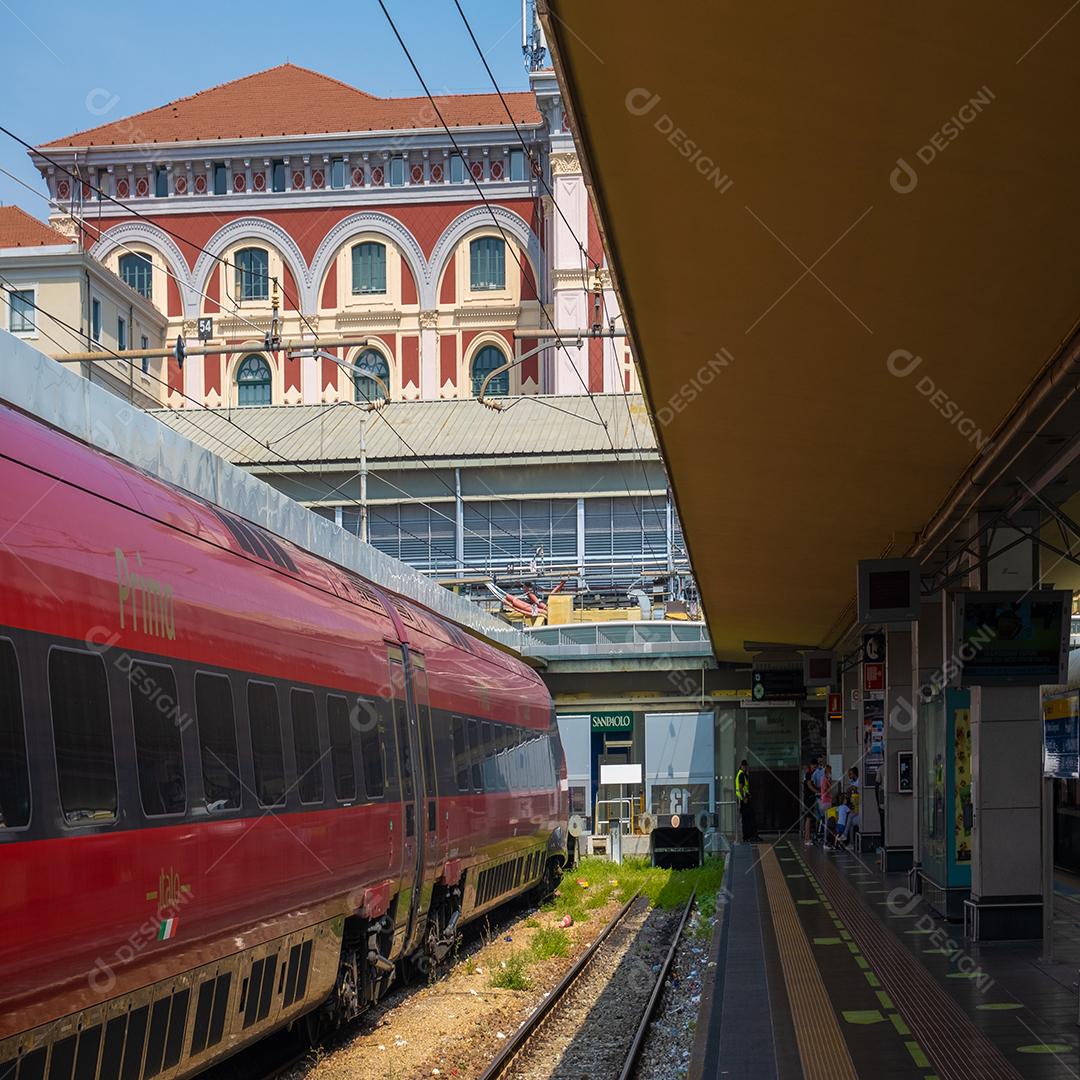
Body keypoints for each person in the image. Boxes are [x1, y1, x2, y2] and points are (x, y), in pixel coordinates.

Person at [735, 759, 760, 843]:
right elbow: (741, 787)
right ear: (743, 766)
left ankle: (749, 836)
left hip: (744, 799)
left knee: (748, 819)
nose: (746, 768)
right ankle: (749, 836)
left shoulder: (741, 774)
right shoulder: (741, 774)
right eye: (745, 766)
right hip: (744, 800)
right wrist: (744, 798)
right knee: (748, 819)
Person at [802, 763, 817, 845]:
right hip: (809, 799)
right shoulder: (808, 774)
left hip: (808, 798)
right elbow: (810, 786)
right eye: (813, 767)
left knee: (808, 818)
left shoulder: (807, 775)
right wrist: (818, 792)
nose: (814, 768)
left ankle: (806, 838)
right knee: (808, 818)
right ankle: (807, 839)